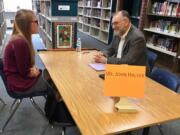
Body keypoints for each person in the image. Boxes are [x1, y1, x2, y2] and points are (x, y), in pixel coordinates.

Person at [3, 9, 51, 94]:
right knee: (56, 84)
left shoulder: (20, 39)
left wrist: (33, 70)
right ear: (27, 24)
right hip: (19, 83)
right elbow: (25, 72)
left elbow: (26, 67)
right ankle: (54, 107)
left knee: (49, 75)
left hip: (18, 78)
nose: (38, 24)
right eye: (36, 21)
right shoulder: (20, 42)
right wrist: (33, 72)